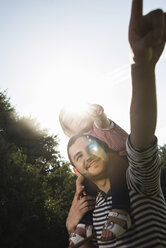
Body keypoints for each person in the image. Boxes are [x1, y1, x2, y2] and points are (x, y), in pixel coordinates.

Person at [66, 0, 166, 247]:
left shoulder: (138, 181)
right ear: (77, 169)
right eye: (77, 156)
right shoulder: (91, 207)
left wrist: (142, 67)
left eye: (89, 147)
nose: (86, 156)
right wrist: (72, 229)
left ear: (102, 146)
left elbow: (140, 138)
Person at [59, 104, 132, 247]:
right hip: (104, 174)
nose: (76, 119)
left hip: (122, 163)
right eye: (71, 121)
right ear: (69, 130)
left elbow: (107, 127)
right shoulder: (77, 143)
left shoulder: (97, 128)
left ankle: (120, 210)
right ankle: (85, 224)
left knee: (114, 163)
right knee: (85, 188)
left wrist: (100, 117)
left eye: (77, 115)